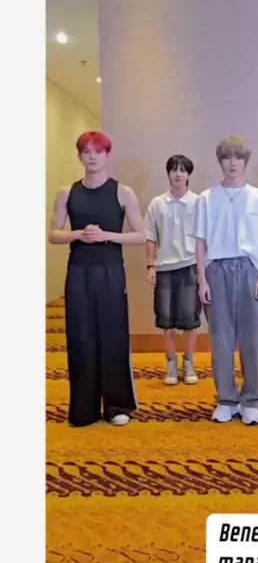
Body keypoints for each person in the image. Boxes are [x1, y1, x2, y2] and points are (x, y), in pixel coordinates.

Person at [48, 130, 146, 428]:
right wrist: (78, 234)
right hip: (78, 271)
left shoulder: (123, 192)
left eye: (98, 151)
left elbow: (141, 235)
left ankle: (117, 405)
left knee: (113, 336)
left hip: (110, 271)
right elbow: (54, 234)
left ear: (107, 155)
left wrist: (106, 236)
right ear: (79, 156)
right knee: (81, 337)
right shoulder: (67, 192)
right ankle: (84, 408)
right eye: (86, 151)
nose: (92, 157)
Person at [192, 136, 258, 425]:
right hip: (216, 270)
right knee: (221, 338)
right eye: (227, 157)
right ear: (220, 161)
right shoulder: (206, 198)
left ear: (245, 161)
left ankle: (251, 400)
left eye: (238, 157)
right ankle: (226, 399)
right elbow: (200, 242)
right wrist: (202, 279)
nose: (233, 163)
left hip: (249, 269)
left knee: (252, 338)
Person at [144, 154, 201, 385]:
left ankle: (189, 363)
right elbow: (150, 237)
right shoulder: (157, 204)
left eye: (182, 170)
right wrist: (150, 266)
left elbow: (204, 239)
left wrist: (204, 271)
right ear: (168, 173)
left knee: (190, 319)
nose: (178, 174)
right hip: (164, 268)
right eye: (174, 170)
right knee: (165, 320)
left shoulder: (198, 202)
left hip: (190, 266)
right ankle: (171, 364)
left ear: (188, 174)